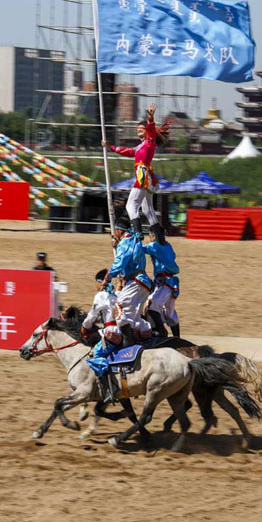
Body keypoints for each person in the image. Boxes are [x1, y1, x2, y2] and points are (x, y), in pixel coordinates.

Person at [102, 102, 169, 242]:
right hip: (148, 177)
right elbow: (128, 151)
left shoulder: (150, 141)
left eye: (140, 130)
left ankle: (138, 232)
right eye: (137, 131)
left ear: (146, 131)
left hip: (143, 174)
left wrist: (150, 117)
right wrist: (111, 147)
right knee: (147, 208)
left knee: (131, 205)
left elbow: (151, 130)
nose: (138, 133)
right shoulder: (141, 146)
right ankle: (159, 235)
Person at [105, 214, 153, 345]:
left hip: (136, 281)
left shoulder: (125, 243)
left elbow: (120, 263)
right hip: (144, 283)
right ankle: (145, 337)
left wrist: (108, 277)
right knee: (132, 316)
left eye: (115, 230)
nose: (114, 233)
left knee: (118, 306)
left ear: (120, 230)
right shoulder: (134, 239)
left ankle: (128, 343)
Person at [84, 268, 122, 403]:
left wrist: (84, 327)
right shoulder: (116, 294)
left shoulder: (100, 296)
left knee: (95, 355)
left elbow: (91, 317)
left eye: (96, 283)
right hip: (120, 331)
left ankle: (109, 389)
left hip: (110, 333)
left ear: (100, 282)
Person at [144, 229, 181, 338]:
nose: (149, 238)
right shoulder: (168, 246)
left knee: (151, 304)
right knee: (169, 311)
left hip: (163, 283)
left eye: (149, 235)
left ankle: (161, 331)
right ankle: (177, 338)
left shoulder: (154, 246)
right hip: (171, 283)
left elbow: (141, 249)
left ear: (153, 236)